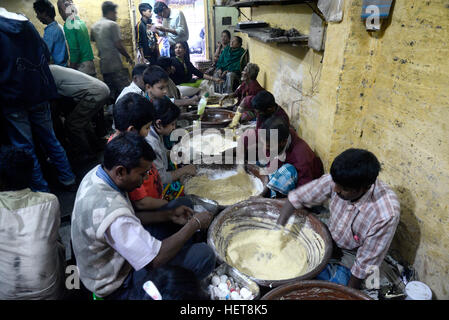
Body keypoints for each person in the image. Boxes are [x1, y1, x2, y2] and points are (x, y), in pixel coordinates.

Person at [71, 132, 215, 299]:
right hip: (118, 283)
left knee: (179, 205)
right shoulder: (114, 215)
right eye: (142, 174)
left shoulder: (98, 173)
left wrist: (169, 215)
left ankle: (180, 246)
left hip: (115, 254)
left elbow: (131, 217)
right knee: (204, 255)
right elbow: (155, 260)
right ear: (121, 171)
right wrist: (195, 224)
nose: (144, 179)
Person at [277, 148, 400, 289]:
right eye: (335, 184)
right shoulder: (340, 179)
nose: (335, 190)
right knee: (293, 253)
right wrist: (277, 233)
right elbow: (296, 198)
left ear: (364, 188)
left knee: (327, 285)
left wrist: (347, 293)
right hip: (331, 234)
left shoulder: (385, 214)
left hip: (352, 254)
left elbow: (365, 263)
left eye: (343, 189)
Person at [0, 7, 76, 192]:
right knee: (51, 139)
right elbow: (45, 53)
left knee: (25, 147)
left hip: (13, 98)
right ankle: (68, 179)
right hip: (39, 91)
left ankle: (43, 192)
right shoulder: (26, 24)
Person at [0, 146, 66, 300]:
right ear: (31, 174)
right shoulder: (50, 201)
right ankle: (73, 287)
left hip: (6, 295)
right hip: (51, 293)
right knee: (60, 246)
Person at [49, 64, 110, 160]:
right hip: (100, 90)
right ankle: (96, 146)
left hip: (94, 93)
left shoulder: (48, 73)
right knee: (83, 122)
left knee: (73, 125)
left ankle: (86, 154)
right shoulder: (54, 68)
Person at [258, 116, 324, 197]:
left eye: (268, 146)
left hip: (305, 185)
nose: (265, 148)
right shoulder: (281, 138)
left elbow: (304, 192)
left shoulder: (301, 155)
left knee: (287, 169)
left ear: (283, 142)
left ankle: (275, 197)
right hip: (288, 171)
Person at [145, 98, 196, 200]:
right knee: (188, 195)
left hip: (162, 171)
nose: (174, 128)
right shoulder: (151, 144)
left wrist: (173, 153)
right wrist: (184, 170)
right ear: (159, 123)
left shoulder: (156, 131)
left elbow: (162, 153)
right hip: (155, 188)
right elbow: (161, 178)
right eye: (172, 124)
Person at [91, 1, 133, 102]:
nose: (116, 15)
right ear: (109, 12)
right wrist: (128, 56)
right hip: (115, 65)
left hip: (104, 66)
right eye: (115, 12)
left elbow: (92, 39)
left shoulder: (94, 26)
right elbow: (118, 45)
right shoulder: (112, 25)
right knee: (125, 93)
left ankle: (112, 113)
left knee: (111, 94)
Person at [57, 0, 96, 76]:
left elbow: (74, 51)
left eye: (60, 9)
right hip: (90, 63)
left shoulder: (69, 25)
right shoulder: (81, 22)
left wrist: (71, 69)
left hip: (82, 66)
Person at [33, 0, 69, 66]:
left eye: (38, 13)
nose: (37, 17)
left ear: (44, 13)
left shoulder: (50, 31)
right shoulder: (59, 26)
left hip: (58, 68)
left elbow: (44, 52)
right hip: (64, 64)